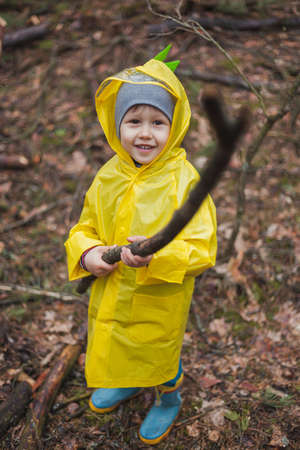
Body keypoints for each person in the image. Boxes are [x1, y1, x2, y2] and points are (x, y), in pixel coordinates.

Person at [65, 45, 217, 445]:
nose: (145, 133)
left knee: (157, 349)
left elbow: (203, 247)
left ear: (176, 126)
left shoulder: (185, 182)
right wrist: (87, 252)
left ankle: (169, 397)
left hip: (159, 296)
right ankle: (127, 381)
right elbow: (85, 226)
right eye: (134, 121)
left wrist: (158, 256)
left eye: (157, 122)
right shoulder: (108, 175)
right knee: (116, 339)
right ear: (118, 125)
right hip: (113, 288)